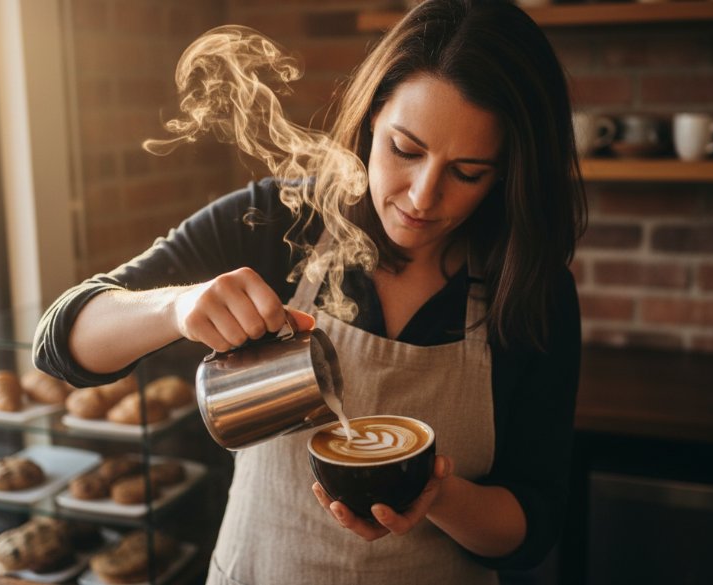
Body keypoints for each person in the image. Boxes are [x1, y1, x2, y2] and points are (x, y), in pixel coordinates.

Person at [34, 0, 585, 583]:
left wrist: (436, 494)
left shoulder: (529, 289)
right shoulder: (274, 221)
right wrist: (176, 306)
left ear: (508, 173)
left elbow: (533, 526)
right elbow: (61, 343)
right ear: (372, 118)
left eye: (467, 172)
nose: (424, 197)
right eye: (405, 150)